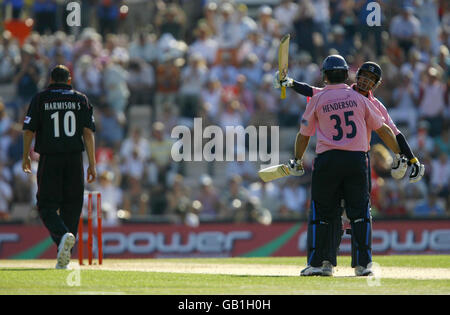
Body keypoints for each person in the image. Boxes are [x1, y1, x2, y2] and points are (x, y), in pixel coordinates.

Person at [282, 55, 401, 277]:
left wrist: (297, 160)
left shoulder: (318, 98)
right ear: (346, 75)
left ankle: (321, 264)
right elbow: (383, 128)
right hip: (357, 161)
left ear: (325, 76)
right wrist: (399, 153)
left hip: (328, 161)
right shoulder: (359, 98)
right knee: (360, 213)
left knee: (324, 214)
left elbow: (304, 134)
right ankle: (363, 265)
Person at [22, 65, 96, 269]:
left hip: (50, 158)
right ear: (69, 80)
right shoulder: (80, 99)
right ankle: (64, 254)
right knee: (72, 206)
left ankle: (63, 237)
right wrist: (92, 163)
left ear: (51, 80)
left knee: (46, 206)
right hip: (74, 159)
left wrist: (25, 156)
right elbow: (88, 133)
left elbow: (28, 130)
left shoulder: (41, 98)